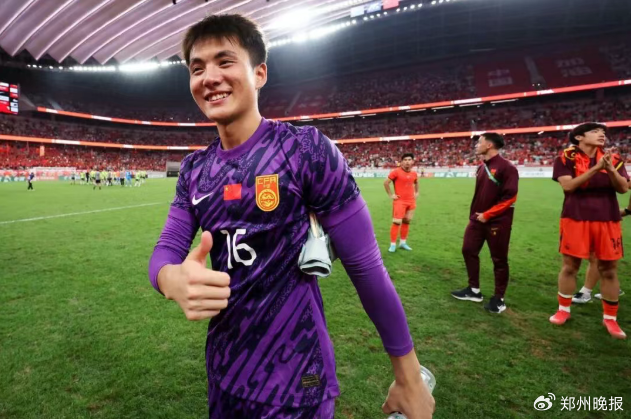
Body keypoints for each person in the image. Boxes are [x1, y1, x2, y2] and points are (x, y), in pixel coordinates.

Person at [148, 14, 434, 419]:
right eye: (197, 68)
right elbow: (166, 249)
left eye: (225, 61)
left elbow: (366, 265)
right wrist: (169, 279)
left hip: (299, 381)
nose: (209, 77)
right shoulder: (195, 170)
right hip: (225, 374)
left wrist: (408, 377)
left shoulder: (306, 151)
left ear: (259, 73)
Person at [549, 123, 628, 339]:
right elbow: (568, 186)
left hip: (607, 220)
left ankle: (610, 319)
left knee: (609, 269)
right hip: (575, 218)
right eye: (595, 131)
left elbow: (623, 188)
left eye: (603, 132)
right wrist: (596, 169)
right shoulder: (565, 158)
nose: (601, 134)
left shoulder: (614, 159)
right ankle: (563, 310)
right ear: (579, 137)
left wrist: (610, 169)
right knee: (570, 266)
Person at [451, 133, 519, 314]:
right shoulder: (482, 167)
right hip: (477, 219)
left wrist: (488, 214)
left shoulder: (507, 167)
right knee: (468, 250)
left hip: (497, 221)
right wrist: (477, 215)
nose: (476, 145)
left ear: (489, 145)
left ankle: (499, 298)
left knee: (499, 259)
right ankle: (474, 290)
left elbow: (510, 197)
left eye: (479, 142)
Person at [384, 153, 419, 252]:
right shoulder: (396, 172)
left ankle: (403, 243)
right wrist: (391, 195)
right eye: (405, 160)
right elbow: (386, 182)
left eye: (409, 160)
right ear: (402, 162)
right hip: (400, 201)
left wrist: (417, 192)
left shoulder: (414, 173)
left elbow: (416, 182)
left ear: (412, 161)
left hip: (411, 201)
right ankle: (393, 244)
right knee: (396, 222)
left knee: (407, 220)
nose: (407, 162)